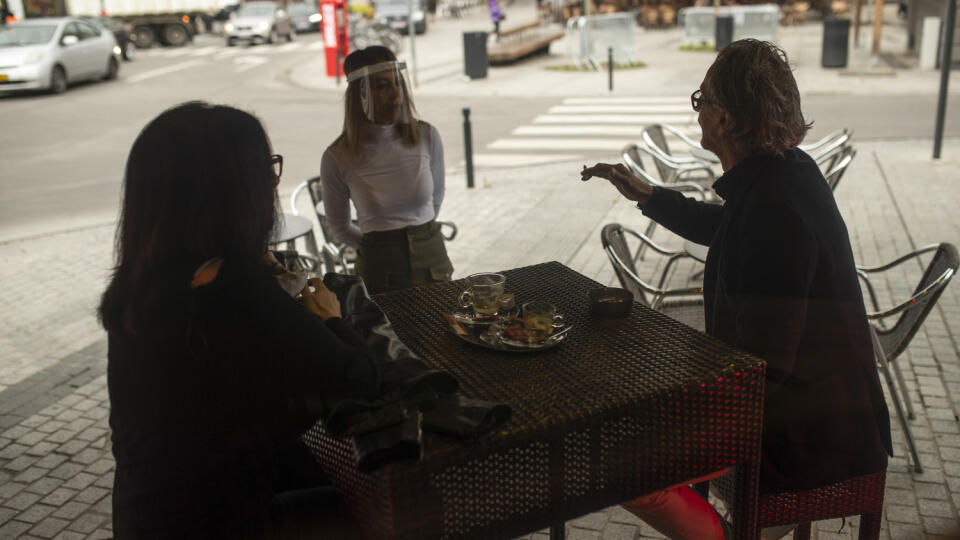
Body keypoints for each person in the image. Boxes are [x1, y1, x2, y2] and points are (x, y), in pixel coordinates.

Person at [582, 39, 892, 539]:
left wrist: (675, 383)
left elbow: (765, 365)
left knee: (628, 463)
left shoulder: (775, 208)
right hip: (816, 410)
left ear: (724, 120)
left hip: (807, 433)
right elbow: (732, 228)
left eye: (700, 100)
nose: (697, 111)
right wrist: (650, 195)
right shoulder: (784, 173)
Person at [100, 102, 382, 539]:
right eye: (264, 170)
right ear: (231, 190)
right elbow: (361, 379)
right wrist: (330, 317)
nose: (273, 180)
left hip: (144, 512)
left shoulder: (143, 281)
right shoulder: (232, 284)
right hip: (225, 519)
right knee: (375, 510)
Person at [320, 46, 453, 295]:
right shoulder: (337, 157)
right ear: (360, 95)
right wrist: (378, 246)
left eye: (397, 84)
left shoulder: (426, 136)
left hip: (432, 260)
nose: (395, 95)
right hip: (379, 269)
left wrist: (418, 234)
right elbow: (338, 226)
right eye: (382, 87)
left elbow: (436, 200)